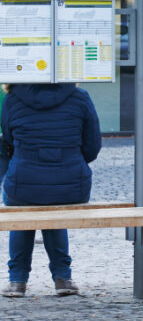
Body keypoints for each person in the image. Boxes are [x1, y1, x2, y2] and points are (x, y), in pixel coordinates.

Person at [0, 82, 101, 298]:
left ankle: (17, 281)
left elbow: (9, 140)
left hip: (23, 182)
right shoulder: (80, 97)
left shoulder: (12, 99)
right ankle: (63, 277)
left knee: (22, 206)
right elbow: (93, 146)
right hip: (72, 184)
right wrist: (68, 162)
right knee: (54, 201)